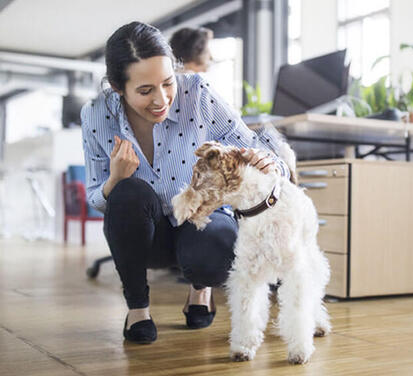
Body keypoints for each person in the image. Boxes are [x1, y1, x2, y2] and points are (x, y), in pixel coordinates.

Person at [81, 21, 290, 344]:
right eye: (145, 90)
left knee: (216, 250)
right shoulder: (97, 116)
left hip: (199, 217)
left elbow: (253, 145)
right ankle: (138, 309)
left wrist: (269, 162)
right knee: (126, 194)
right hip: (148, 233)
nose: (162, 99)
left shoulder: (197, 92)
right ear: (118, 88)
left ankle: (200, 290)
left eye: (167, 83)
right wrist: (114, 179)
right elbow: (96, 195)